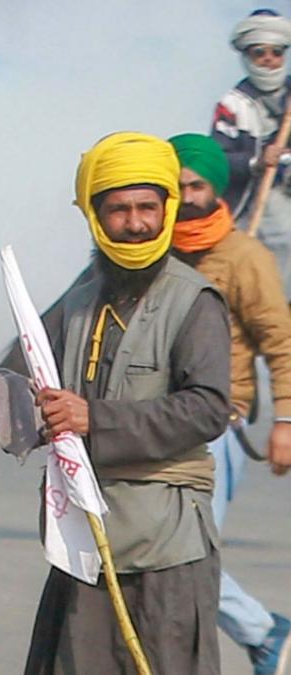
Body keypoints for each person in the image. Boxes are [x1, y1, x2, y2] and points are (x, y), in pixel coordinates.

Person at [8, 132, 231, 674]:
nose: (135, 223)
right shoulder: (81, 298)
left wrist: (93, 418)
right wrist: (26, 406)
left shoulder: (193, 301)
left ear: (166, 210)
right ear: (95, 217)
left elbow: (207, 409)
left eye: (146, 208)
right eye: (119, 210)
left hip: (164, 543)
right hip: (84, 536)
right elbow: (19, 367)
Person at [170, 132, 291, 675]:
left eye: (196, 184)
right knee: (163, 555)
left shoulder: (243, 255)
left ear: (214, 186)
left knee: (185, 557)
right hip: (154, 425)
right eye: (175, 187)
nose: (187, 195)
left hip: (219, 425)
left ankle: (267, 638)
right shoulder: (150, 252)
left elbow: (280, 341)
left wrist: (286, 420)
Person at [212, 9, 291, 297]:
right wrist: (258, 162)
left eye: (276, 52)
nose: (269, 59)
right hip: (257, 199)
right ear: (247, 56)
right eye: (260, 53)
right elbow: (220, 160)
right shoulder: (233, 105)